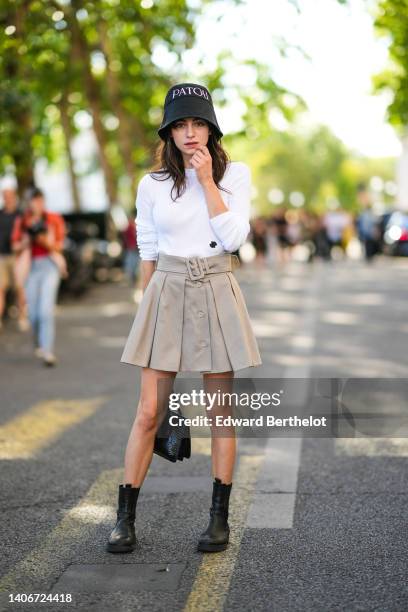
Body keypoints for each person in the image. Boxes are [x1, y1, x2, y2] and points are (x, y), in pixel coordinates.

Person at [106, 82, 262, 555]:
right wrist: (145, 308)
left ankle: (219, 520)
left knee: (219, 411)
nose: (190, 133)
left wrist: (210, 182)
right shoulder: (152, 184)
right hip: (166, 289)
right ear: (169, 133)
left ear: (211, 129)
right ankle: (124, 519)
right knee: (150, 411)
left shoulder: (236, 175)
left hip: (216, 285)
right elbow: (148, 247)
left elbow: (234, 238)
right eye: (181, 125)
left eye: (198, 124)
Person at [11, 187, 66, 366]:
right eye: (33, 201)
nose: (37, 204)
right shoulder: (22, 221)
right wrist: (27, 240)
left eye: (39, 200)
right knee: (33, 313)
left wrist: (45, 240)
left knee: (46, 310)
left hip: (49, 265)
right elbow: (14, 246)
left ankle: (47, 351)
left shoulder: (53, 219)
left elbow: (59, 246)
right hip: (30, 266)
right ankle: (39, 341)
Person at [0, 182, 29, 331]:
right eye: (5, 196)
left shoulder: (21, 215)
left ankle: (22, 317)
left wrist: (22, 246)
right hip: (2, 256)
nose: (7, 199)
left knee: (20, 288)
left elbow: (27, 235)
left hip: (18, 257)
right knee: (1, 289)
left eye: (10, 196)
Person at [122, 214, 140, 286]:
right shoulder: (131, 226)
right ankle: (132, 278)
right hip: (133, 247)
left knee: (133, 263)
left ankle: (133, 278)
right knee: (132, 263)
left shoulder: (131, 226)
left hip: (133, 247)